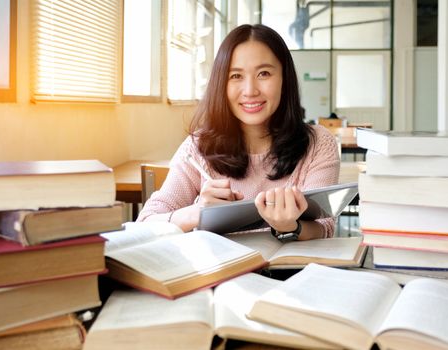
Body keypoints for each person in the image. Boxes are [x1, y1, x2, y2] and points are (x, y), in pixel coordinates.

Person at [137, 24, 340, 241]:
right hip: (219, 272)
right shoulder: (198, 147)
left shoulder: (317, 142)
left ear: (284, 78)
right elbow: (146, 222)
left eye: (264, 73)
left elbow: (324, 226)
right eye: (235, 76)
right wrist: (198, 212)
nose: (250, 90)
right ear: (221, 84)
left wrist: (291, 227)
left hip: (289, 273)